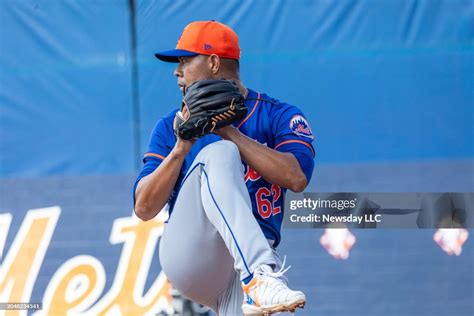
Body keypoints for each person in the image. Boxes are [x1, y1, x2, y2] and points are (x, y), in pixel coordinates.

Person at [133, 20, 315, 315]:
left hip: (240, 270)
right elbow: (143, 208)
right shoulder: (171, 126)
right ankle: (259, 277)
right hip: (194, 258)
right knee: (219, 154)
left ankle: (257, 281)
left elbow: (296, 178)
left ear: (214, 62)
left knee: (225, 145)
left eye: (185, 61)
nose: (177, 71)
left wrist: (230, 131)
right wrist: (181, 148)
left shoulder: (276, 114)